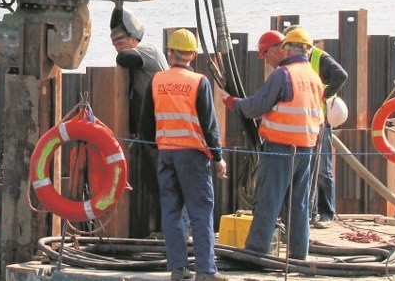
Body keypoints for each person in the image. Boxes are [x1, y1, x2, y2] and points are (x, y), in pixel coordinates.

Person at [222, 27, 324, 260]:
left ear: (287, 48)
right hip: (305, 149)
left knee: (268, 200)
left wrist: (233, 103)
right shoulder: (314, 78)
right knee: (298, 205)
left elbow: (256, 106)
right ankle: (299, 255)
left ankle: (256, 251)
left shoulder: (283, 74)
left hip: (280, 148)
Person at [140, 28, 228, 281]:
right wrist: (218, 157)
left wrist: (158, 147)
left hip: (166, 154)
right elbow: (209, 125)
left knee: (171, 211)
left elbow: (146, 124)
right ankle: (205, 270)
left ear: (171, 53)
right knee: (200, 211)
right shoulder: (198, 82)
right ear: (192, 55)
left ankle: (178, 269)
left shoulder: (156, 80)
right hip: (193, 156)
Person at [282, 25, 348, 228]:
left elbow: (341, 75)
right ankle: (311, 212)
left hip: (320, 119)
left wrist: (323, 94)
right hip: (302, 121)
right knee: (306, 169)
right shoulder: (288, 64)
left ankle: (327, 212)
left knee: (323, 168)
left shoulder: (320, 58)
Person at [110, 7, 169, 236]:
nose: (117, 46)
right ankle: (165, 231)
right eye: (113, 41)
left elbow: (124, 56)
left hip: (161, 133)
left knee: (165, 183)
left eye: (121, 40)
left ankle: (173, 233)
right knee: (153, 182)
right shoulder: (136, 63)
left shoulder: (148, 51)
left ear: (135, 37)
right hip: (148, 135)